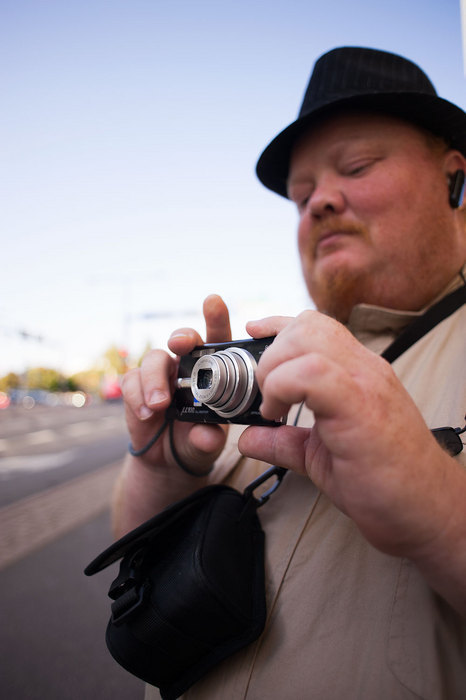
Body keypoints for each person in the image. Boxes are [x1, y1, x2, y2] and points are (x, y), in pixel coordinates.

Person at [115, 47, 466, 698]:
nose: (319, 203)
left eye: (356, 167)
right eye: (301, 197)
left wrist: (438, 505)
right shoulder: (274, 364)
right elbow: (133, 554)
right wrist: (159, 469)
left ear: (456, 180)